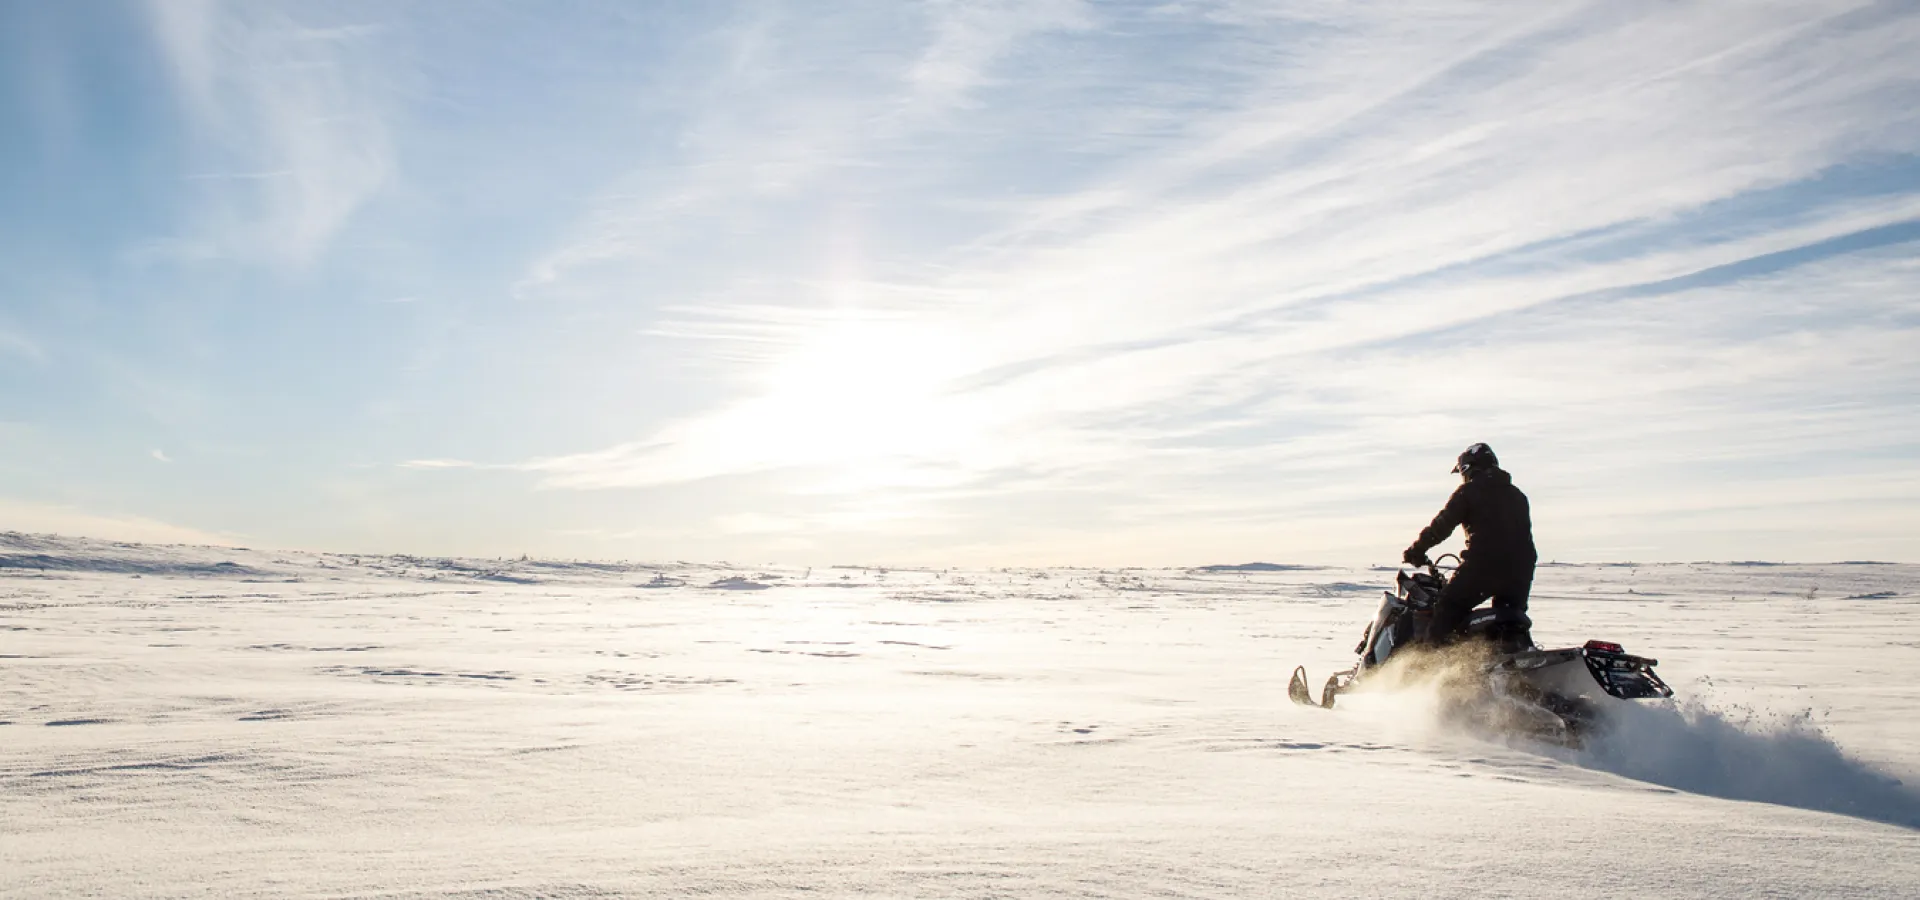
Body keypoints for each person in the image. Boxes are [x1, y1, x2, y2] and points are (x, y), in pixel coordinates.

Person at [1402, 443, 1538, 646]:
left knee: (1447, 607)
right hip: (1521, 570)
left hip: (1484, 565)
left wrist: (1417, 549)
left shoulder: (1468, 492)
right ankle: (1511, 653)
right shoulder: (1518, 495)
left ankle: (1432, 666)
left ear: (1468, 467)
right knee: (1510, 617)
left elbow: (1442, 525)